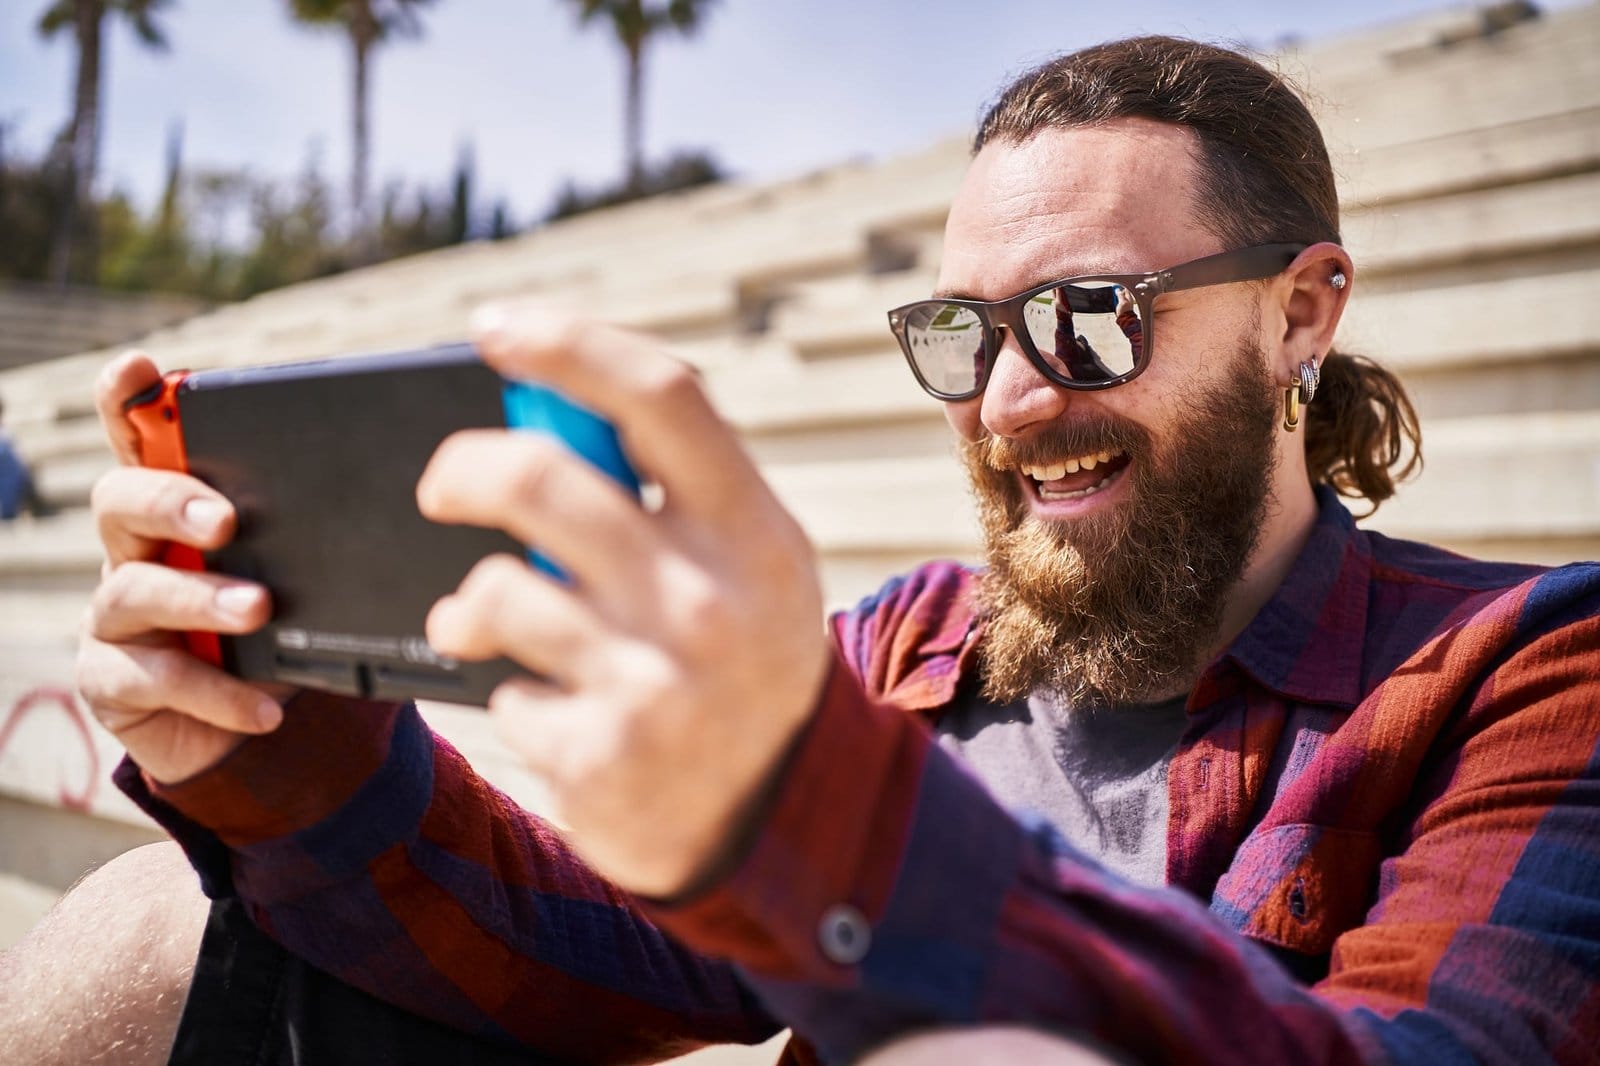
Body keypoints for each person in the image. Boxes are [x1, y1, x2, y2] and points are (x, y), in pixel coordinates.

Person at [6, 33, 1598, 1066]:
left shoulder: (1527, 669)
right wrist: (278, 726)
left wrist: (821, 815)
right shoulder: (908, 642)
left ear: (1303, 310)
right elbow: (592, 951)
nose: (1012, 399)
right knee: (136, 932)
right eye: (963, 336)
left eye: (1090, 317)